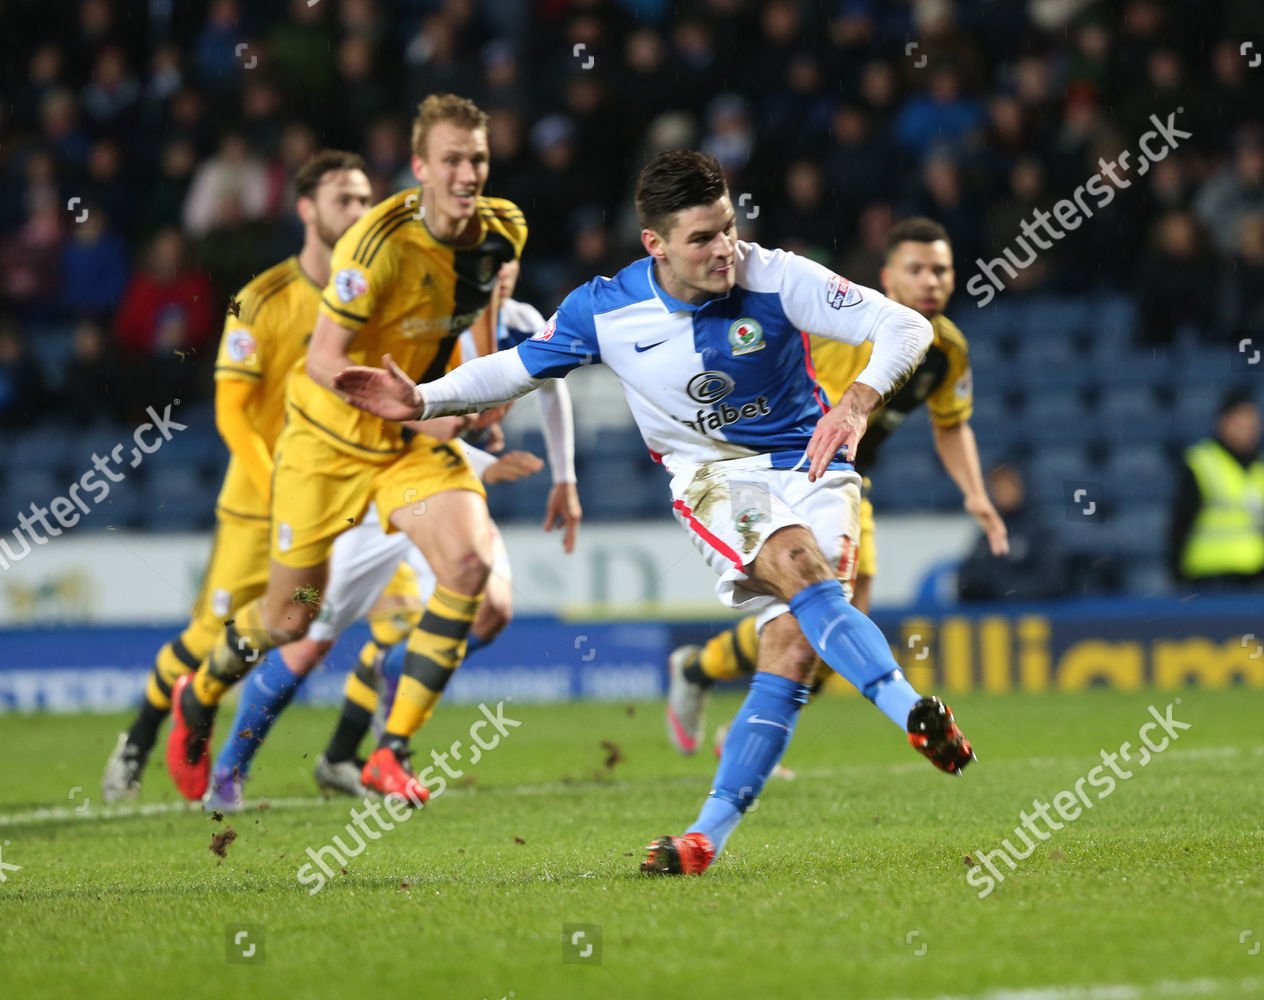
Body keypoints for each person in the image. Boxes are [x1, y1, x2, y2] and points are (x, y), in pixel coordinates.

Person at [334, 150, 978, 876]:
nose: (723, 250)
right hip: (714, 478)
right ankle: (912, 713)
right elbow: (514, 369)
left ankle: (704, 839)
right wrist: (422, 400)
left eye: (728, 229)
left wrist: (858, 401)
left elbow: (906, 329)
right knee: (801, 567)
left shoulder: (774, 274)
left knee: (794, 649)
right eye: (702, 238)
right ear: (656, 244)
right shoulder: (604, 310)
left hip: (815, 465)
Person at [164, 93, 579, 807]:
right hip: (327, 446)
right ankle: (199, 690)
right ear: (419, 166)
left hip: (409, 443)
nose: (466, 172)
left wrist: (472, 386)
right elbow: (323, 360)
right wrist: (420, 412)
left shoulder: (502, 227)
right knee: (293, 613)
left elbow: (476, 303)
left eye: (477, 157)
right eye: (450, 159)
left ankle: (389, 751)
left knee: (470, 565)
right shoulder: (375, 247)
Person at [201, 259, 576, 812]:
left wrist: (565, 477)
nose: (496, 272)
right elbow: (390, 413)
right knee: (304, 632)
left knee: (491, 609)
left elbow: (552, 387)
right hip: (378, 496)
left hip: (445, 501)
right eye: (484, 262)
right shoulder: (422, 320)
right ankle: (228, 769)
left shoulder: (521, 323)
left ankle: (382, 696)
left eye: (507, 261)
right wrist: (482, 460)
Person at [661, 216, 1008, 759]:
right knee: (807, 612)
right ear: (888, 279)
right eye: (915, 270)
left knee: (837, 627)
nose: (930, 281)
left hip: (840, 481)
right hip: (759, 473)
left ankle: (718, 695)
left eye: (940, 270)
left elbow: (951, 423)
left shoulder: (946, 351)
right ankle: (709, 684)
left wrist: (975, 493)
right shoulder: (838, 325)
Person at [102, 149, 372, 804]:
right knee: (203, 637)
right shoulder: (262, 298)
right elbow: (229, 409)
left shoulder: (373, 293)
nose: (360, 212)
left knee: (300, 616)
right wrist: (275, 478)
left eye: (366, 200)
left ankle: (324, 747)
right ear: (306, 209)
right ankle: (138, 738)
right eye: (345, 200)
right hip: (258, 509)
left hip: (332, 509)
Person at [1168, 389, 1264, 592]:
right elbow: (1180, 524)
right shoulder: (1202, 463)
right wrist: (1177, 575)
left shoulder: (1261, 468)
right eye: (1241, 423)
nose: (1249, 430)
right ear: (1224, 423)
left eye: (1252, 424)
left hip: (1256, 577)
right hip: (1210, 579)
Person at [957, 464, 1065, 602]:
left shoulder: (1042, 530)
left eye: (1008, 484)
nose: (1003, 491)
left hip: (1034, 615)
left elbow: (1051, 581)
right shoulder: (988, 531)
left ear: (1021, 486)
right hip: (995, 618)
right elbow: (968, 581)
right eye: (997, 486)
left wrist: (1004, 589)